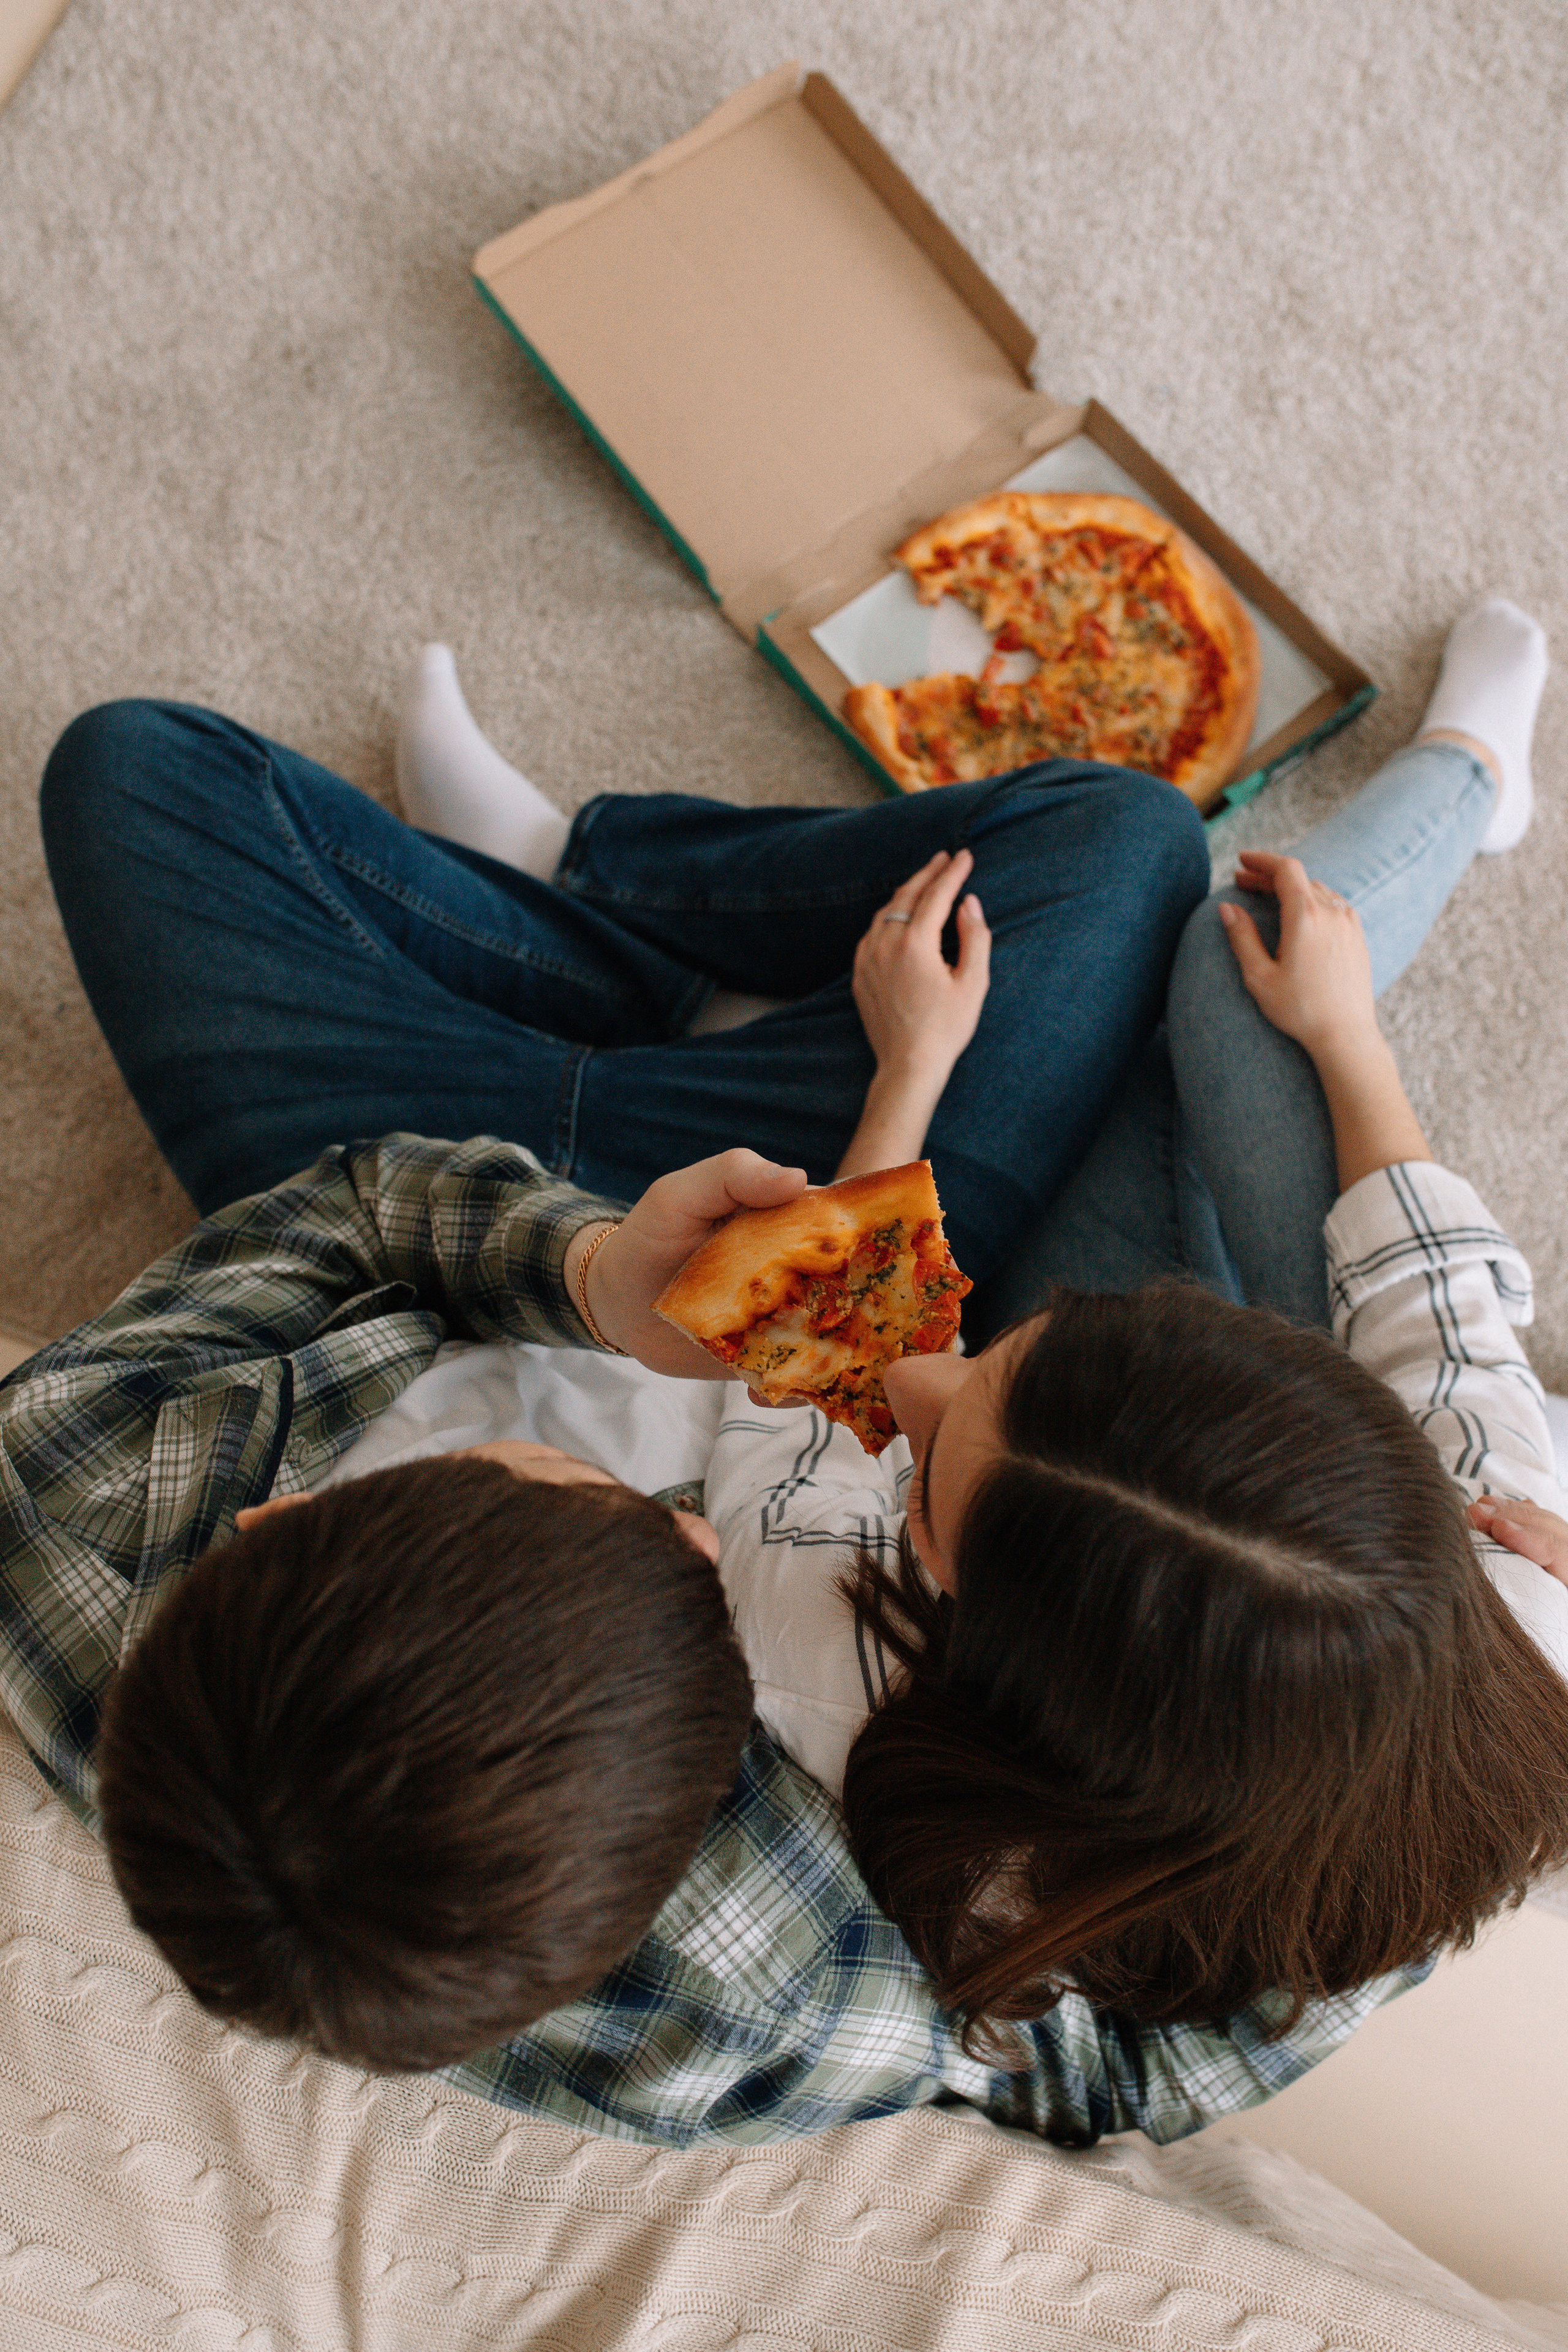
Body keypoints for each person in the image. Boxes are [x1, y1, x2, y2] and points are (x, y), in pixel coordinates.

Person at [0, 597, 1553, 2146]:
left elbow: (368, 1214)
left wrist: (603, 1284)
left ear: (269, 1530)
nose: (695, 1528)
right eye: (691, 1562)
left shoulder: (66, 1483)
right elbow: (1141, 2055)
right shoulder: (836, 1961)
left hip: (620, 1255)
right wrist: (1397, 1803)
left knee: (139, 771)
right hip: (810, 1305)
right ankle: (658, 971)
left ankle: (597, 917)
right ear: (724, 1750)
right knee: (1134, 867)